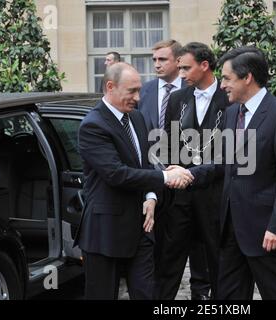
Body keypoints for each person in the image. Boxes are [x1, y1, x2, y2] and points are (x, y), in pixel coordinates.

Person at [186, 46, 276, 299]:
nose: (222, 85)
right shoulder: (231, 114)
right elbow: (226, 163)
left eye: (227, 78)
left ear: (247, 77)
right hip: (231, 229)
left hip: (266, 232)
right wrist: (190, 174)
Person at [75, 62, 193, 300]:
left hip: (142, 228)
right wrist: (166, 177)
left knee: (147, 294)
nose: (138, 98)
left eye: (139, 90)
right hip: (105, 232)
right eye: (132, 91)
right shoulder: (93, 125)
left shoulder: (137, 118)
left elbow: (146, 163)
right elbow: (116, 174)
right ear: (110, 87)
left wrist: (151, 196)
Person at [155, 42, 230, 300]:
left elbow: (233, 154)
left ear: (205, 65)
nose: (182, 73)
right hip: (181, 196)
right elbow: (167, 143)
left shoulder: (229, 97)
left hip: (217, 195)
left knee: (218, 260)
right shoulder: (177, 99)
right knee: (169, 259)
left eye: (186, 68)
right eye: (180, 68)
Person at [137, 39, 211, 300]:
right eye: (154, 60)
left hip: (204, 186)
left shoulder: (204, 92)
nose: (156, 65)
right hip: (165, 187)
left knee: (204, 258)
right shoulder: (144, 92)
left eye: (163, 60)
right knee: (167, 257)